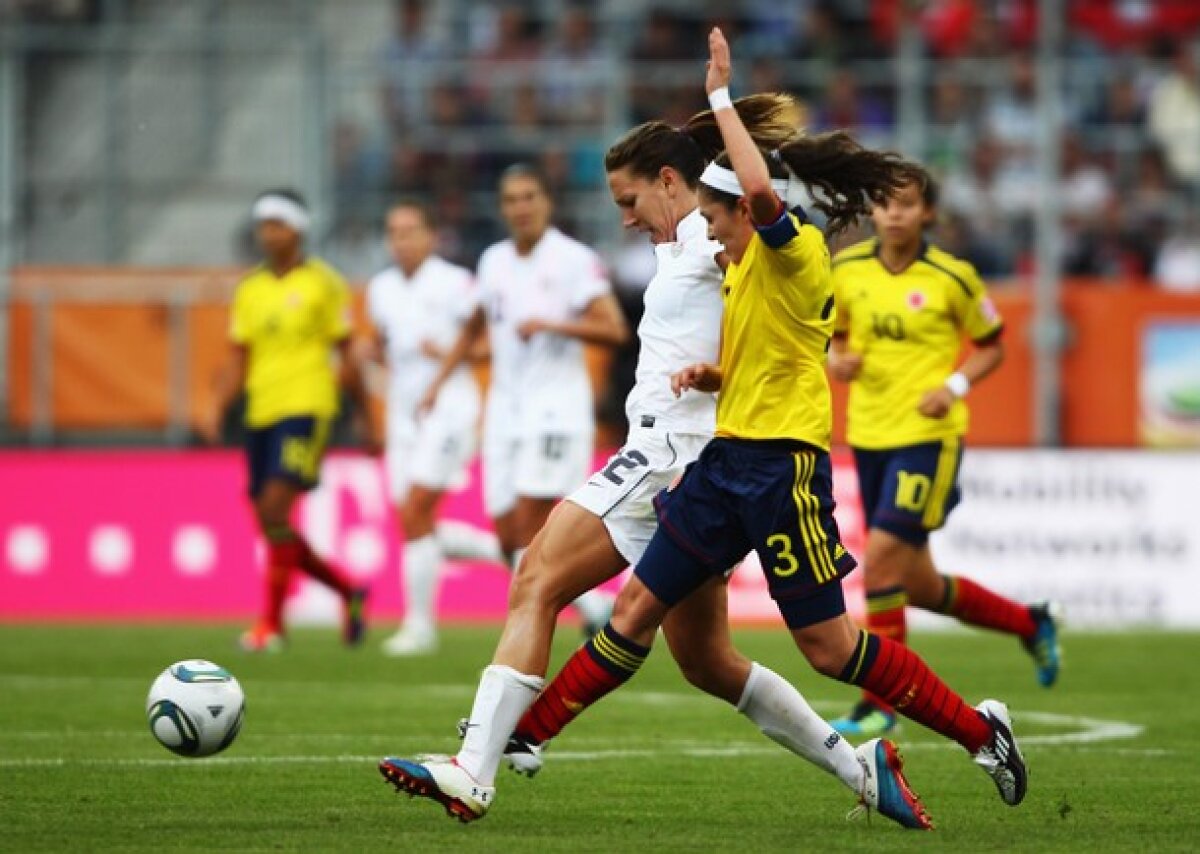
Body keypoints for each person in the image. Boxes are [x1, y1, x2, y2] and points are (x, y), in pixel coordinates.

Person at [381, 27, 1030, 823]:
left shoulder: (770, 246)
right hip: (720, 463)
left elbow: (754, 202)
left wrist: (719, 98)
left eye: (710, 216)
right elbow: (755, 337)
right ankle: (862, 770)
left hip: (752, 464)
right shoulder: (734, 261)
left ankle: (485, 759)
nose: (709, 232)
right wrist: (713, 373)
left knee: (801, 641)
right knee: (699, 656)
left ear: (713, 201)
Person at [825, 167, 1062, 738]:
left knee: (880, 559)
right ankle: (1030, 623)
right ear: (872, 211)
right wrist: (835, 358)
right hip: (868, 434)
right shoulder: (846, 269)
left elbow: (992, 346)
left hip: (928, 438)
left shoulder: (953, 277)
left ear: (927, 212)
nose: (894, 213)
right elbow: (833, 334)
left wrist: (952, 387)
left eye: (906, 204)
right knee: (919, 585)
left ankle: (880, 702)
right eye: (884, 203)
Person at [420, 164, 627, 633]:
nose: (521, 207)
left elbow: (614, 328)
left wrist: (554, 324)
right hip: (504, 412)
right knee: (508, 535)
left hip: (554, 410)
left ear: (547, 202)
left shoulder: (573, 259)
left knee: (528, 529)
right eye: (512, 199)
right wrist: (439, 381)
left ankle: (528, 635)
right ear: (502, 207)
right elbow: (475, 327)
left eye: (530, 196)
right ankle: (594, 608)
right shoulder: (493, 260)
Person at [205, 189, 376, 652]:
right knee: (270, 520)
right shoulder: (250, 288)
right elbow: (239, 356)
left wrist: (366, 416)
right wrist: (217, 405)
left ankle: (272, 625)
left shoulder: (324, 283)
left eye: (277, 224)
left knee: (275, 510)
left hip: (307, 406)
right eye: (263, 225)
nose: (268, 234)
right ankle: (348, 590)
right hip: (260, 410)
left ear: (298, 229)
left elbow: (347, 353)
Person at [364, 199, 502, 656]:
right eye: (393, 232)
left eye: (409, 231)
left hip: (451, 409)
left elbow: (492, 343)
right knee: (414, 521)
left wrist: (447, 353)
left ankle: (419, 627)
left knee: (418, 508)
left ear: (430, 235)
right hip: (403, 416)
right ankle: (520, 558)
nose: (400, 241)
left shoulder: (456, 283)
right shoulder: (381, 289)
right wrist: (372, 354)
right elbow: (385, 344)